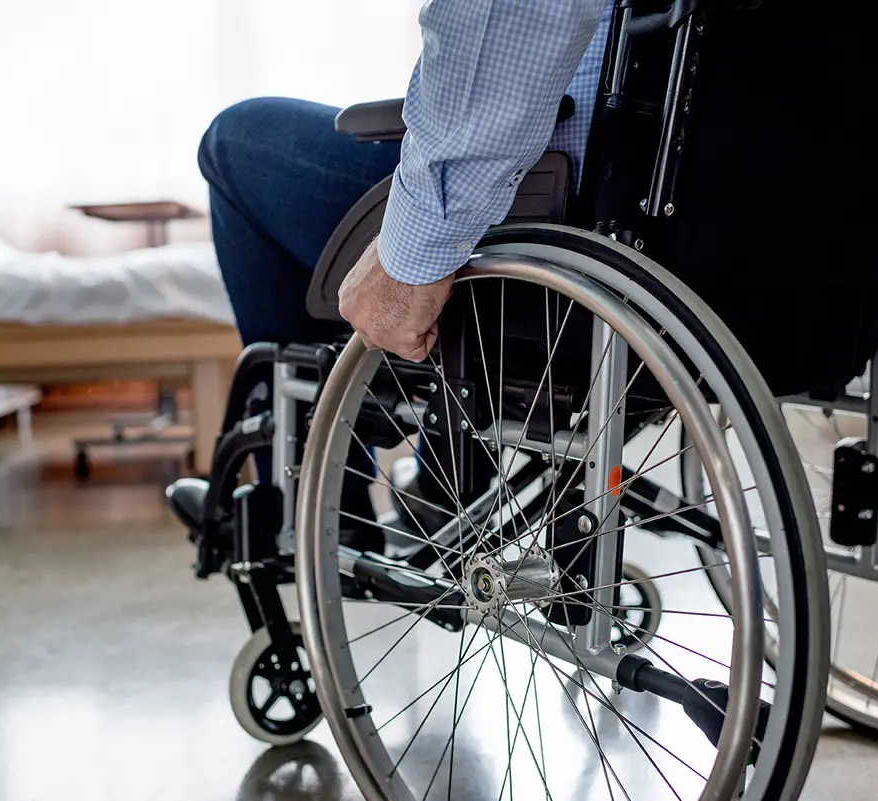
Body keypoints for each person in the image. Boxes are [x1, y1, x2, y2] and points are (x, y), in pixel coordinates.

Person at [169, 2, 614, 541]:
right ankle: (436, 475)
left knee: (235, 140)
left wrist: (407, 255)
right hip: (664, 255)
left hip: (559, 217)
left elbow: (498, 29)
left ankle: (315, 500)